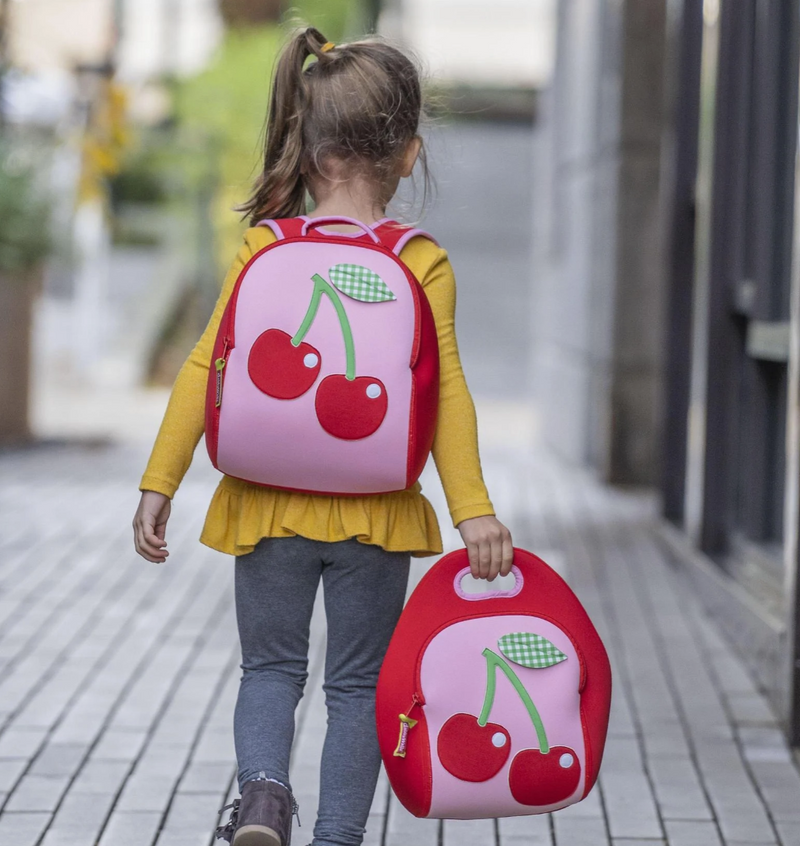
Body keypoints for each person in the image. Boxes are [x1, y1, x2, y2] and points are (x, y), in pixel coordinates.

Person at [132, 26, 513, 846]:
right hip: (374, 513)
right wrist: (473, 508)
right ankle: (338, 836)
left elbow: (206, 365)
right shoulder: (421, 261)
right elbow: (446, 393)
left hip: (265, 505)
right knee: (357, 686)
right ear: (409, 153)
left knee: (270, 669)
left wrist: (159, 482)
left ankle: (263, 798)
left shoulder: (268, 244)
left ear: (304, 150)